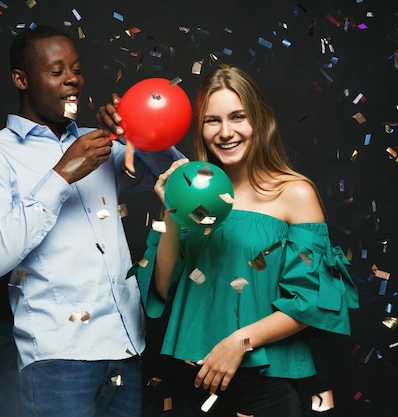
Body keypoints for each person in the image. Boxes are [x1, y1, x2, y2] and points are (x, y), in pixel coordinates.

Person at [0, 25, 184, 417]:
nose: (73, 80)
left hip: (127, 349)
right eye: (57, 70)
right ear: (21, 79)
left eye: (77, 69)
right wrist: (62, 174)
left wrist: (135, 130)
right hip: (57, 359)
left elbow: (180, 183)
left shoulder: (98, 143)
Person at [137, 67, 359, 417]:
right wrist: (172, 212)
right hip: (191, 375)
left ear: (259, 120)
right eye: (213, 121)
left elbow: (311, 299)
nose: (226, 132)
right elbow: (162, 288)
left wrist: (238, 343)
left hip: (265, 379)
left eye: (237, 117)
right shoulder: (193, 192)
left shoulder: (294, 193)